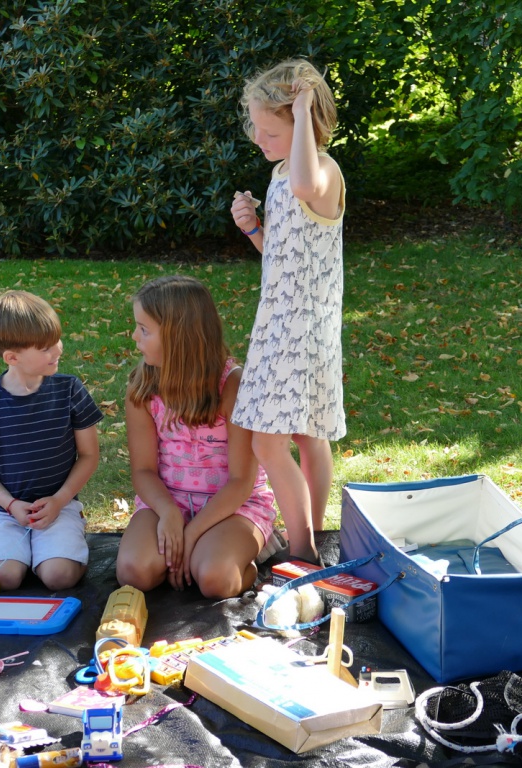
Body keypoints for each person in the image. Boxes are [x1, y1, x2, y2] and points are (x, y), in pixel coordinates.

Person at [228, 58, 345, 563]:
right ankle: (310, 535)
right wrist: (253, 229)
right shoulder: (282, 173)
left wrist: (300, 110)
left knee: (270, 442)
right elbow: (282, 255)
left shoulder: (321, 172)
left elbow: (304, 187)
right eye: (255, 127)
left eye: (270, 130)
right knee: (304, 434)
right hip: (284, 323)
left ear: (304, 123)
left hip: (300, 329)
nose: (258, 138)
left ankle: (301, 547)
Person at [116, 275, 278, 599]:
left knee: (215, 579)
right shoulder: (142, 387)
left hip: (232, 506)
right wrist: (169, 514)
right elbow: (143, 471)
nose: (134, 336)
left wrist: (190, 535)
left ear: (178, 337)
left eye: (144, 330)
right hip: (167, 500)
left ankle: (249, 556)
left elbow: (241, 481)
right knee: (134, 572)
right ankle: (197, 549)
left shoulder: (232, 386)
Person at [0, 290, 103, 592]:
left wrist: (60, 500)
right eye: (45, 348)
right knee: (5, 577)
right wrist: (10, 504)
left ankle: (54, 548)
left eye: (57, 340)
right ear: (12, 358)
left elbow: (89, 455)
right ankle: (5, 547)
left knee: (59, 576)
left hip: (59, 504)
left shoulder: (70, 390)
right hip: (4, 510)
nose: (58, 350)